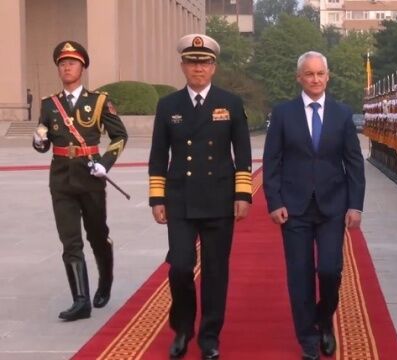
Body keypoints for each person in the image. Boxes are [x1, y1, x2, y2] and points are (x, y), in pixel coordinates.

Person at [148, 34, 252, 360]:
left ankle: (209, 336)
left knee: (215, 271)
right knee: (179, 266)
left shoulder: (230, 103)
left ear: (214, 67)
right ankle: (182, 328)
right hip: (180, 198)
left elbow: (243, 152)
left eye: (204, 62)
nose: (198, 68)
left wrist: (243, 194)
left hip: (219, 198)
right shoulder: (168, 105)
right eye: (192, 62)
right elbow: (157, 155)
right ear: (182, 65)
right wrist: (157, 198)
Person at [263, 51, 366, 360]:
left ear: (328, 76)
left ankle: (324, 319)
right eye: (309, 74)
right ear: (299, 78)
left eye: (320, 73)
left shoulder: (342, 113)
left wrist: (355, 205)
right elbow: (272, 162)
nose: (315, 79)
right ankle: (308, 338)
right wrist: (274, 201)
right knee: (300, 274)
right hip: (294, 208)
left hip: (333, 206)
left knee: (330, 270)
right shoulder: (283, 114)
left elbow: (354, 163)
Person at [32, 41, 128, 321]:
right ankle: (81, 300)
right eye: (62, 64)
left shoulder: (98, 101)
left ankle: (106, 279)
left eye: (72, 63)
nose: (67, 67)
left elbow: (120, 136)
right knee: (70, 241)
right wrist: (38, 141)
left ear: (82, 68)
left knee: (97, 235)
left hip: (90, 177)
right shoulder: (49, 104)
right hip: (61, 178)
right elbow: (44, 141)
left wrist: (104, 163)